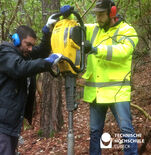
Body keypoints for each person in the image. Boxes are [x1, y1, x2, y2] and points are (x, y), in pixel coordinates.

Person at [60, 0, 139, 154]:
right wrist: (66, 16)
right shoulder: (94, 29)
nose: (97, 19)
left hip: (117, 92)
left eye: (101, 15)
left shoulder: (128, 31)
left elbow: (123, 51)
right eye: (96, 15)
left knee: (126, 130)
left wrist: (96, 49)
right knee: (95, 132)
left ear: (112, 13)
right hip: (96, 93)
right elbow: (75, 27)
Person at [0, 14, 62, 155]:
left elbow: (41, 52)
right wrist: (47, 62)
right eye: (28, 44)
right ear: (16, 40)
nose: (30, 49)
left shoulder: (24, 54)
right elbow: (19, 68)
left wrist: (47, 31)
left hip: (11, 118)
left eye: (32, 45)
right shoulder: (5, 53)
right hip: (1, 119)